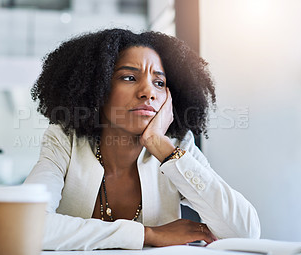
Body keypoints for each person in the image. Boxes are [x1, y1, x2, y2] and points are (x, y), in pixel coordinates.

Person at [24, 28, 260, 251]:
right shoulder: (65, 140)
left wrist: (160, 145)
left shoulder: (176, 147)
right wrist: (148, 234)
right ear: (97, 87)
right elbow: (26, 226)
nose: (148, 92)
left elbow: (245, 232)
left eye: (159, 82)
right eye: (129, 77)